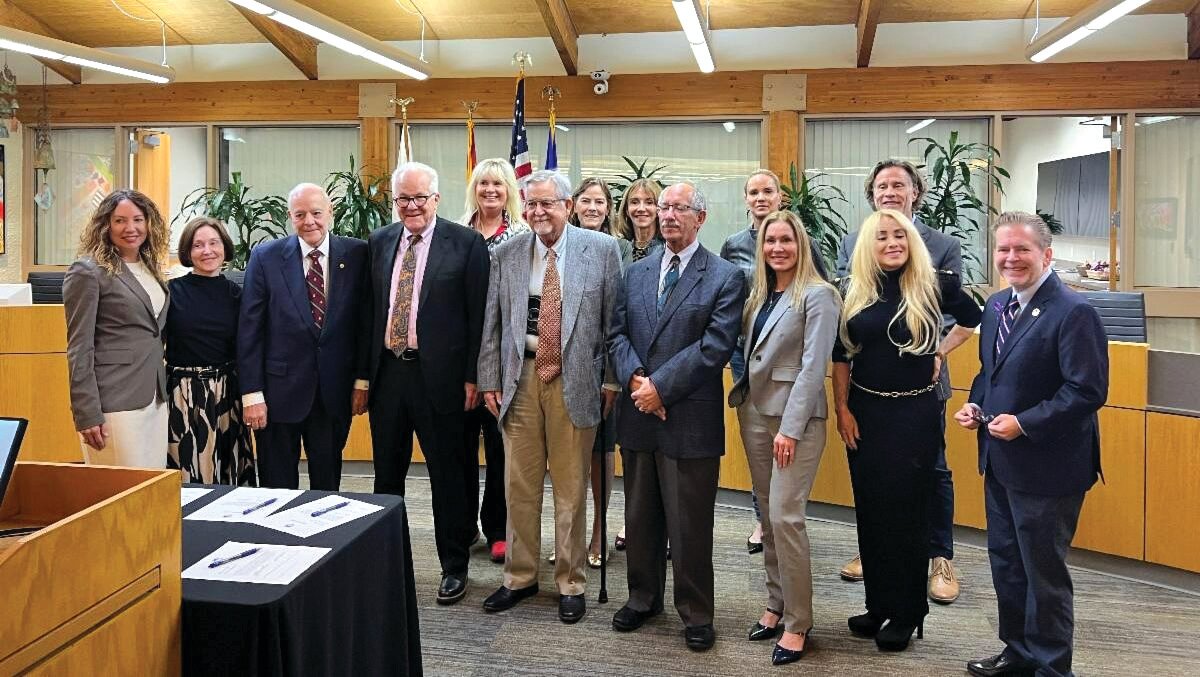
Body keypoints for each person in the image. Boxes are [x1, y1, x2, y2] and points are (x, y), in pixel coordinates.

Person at [956, 212, 1108, 677]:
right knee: (1007, 565)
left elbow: (1086, 391)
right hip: (1000, 462)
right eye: (1003, 249)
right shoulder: (998, 305)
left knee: (1044, 575)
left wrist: (1024, 423)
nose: (1011, 257)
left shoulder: (1074, 310)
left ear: (1046, 253)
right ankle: (1018, 654)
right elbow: (990, 374)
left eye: (1022, 249)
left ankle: (1051, 668)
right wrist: (976, 407)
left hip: (1049, 468)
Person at [477, 170, 622, 623]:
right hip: (518, 378)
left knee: (570, 487)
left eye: (548, 204)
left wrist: (613, 380)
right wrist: (488, 378)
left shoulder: (600, 250)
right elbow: (493, 322)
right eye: (532, 204)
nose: (539, 212)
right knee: (517, 485)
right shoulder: (507, 252)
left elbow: (615, 322)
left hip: (574, 381)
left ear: (568, 205)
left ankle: (570, 581)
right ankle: (519, 577)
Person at [832, 209, 980, 652]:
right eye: (882, 236)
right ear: (868, 245)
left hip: (913, 416)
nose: (892, 242)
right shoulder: (854, 289)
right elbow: (841, 353)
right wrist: (841, 408)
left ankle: (908, 610)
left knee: (908, 516)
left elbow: (973, 320)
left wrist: (938, 350)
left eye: (900, 234)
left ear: (912, 239)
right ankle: (878, 605)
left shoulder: (935, 285)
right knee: (872, 512)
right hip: (864, 412)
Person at [608, 181, 745, 652]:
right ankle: (643, 597)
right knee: (641, 516)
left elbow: (715, 347)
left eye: (678, 208)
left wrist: (660, 388)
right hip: (639, 415)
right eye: (663, 207)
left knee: (689, 526)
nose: (667, 215)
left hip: (689, 419)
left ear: (700, 218)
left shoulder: (725, 276)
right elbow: (617, 334)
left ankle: (696, 612)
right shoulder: (637, 271)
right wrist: (637, 383)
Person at [366, 161, 489, 606]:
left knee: (449, 477)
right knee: (387, 478)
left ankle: (454, 566)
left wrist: (475, 375)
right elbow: (370, 313)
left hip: (444, 381)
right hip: (389, 377)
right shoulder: (379, 242)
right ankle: (384, 564)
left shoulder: (467, 243)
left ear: (436, 198)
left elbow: (480, 317)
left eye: (420, 197)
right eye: (403, 199)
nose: (412, 206)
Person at [729, 211, 840, 665]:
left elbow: (815, 367)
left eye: (786, 241)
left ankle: (799, 621)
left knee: (786, 517)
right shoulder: (760, 295)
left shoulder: (819, 295)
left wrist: (791, 429)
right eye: (771, 241)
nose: (778, 248)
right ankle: (776, 603)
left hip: (795, 422)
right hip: (755, 413)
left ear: (802, 246)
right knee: (767, 515)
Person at [721, 169, 829, 555]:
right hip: (745, 354)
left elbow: (820, 293)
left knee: (783, 459)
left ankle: (777, 519)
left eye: (768, 190)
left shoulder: (804, 246)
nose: (761, 197)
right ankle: (761, 518)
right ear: (746, 198)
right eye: (754, 191)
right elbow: (728, 297)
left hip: (789, 358)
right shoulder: (733, 244)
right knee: (758, 446)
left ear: (779, 197)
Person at [237, 183, 369, 491]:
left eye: (316, 213)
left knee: (326, 487)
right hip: (277, 393)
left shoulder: (358, 254)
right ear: (290, 217)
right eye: (300, 214)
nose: (309, 221)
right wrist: (252, 394)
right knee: (276, 486)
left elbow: (365, 323)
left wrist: (361, 380)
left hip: (332, 394)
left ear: (331, 213)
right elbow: (250, 329)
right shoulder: (265, 257)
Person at [64, 189, 171, 467]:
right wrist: (86, 412)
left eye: (138, 219)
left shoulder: (149, 266)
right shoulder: (88, 271)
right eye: (120, 220)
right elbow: (79, 346)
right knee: (121, 495)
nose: (131, 228)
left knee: (150, 489)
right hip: (115, 400)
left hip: (154, 396)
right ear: (105, 224)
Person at [460, 157, 530, 564]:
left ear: (509, 191)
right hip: (459, 358)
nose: (490, 190)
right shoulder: (454, 231)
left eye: (498, 184)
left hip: (505, 359)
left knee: (503, 450)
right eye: (483, 183)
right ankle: (465, 523)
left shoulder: (521, 236)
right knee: (460, 448)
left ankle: (499, 529)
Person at [165, 217, 255, 485]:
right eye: (198, 245)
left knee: (229, 471)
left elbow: (247, 346)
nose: (207, 251)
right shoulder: (171, 293)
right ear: (187, 252)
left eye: (214, 243)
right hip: (184, 395)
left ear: (224, 248)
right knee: (190, 471)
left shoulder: (238, 294)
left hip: (228, 393)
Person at [570, 176, 625, 568]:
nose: (592, 208)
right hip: (564, 370)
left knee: (601, 455)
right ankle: (568, 535)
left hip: (604, 370)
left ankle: (598, 533)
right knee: (568, 460)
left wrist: (611, 375)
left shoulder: (617, 248)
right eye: (585, 200)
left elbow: (616, 317)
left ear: (609, 209)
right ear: (573, 205)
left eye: (599, 202)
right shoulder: (560, 245)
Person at [614, 178, 664, 268]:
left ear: (659, 209)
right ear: (626, 210)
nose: (641, 208)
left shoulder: (668, 249)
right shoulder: (617, 248)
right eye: (634, 202)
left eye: (649, 202)